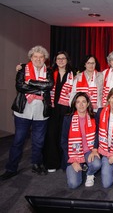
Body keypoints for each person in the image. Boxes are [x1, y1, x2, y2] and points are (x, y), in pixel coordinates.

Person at [0, 45, 54, 181]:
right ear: (31, 57)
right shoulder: (23, 69)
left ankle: (36, 164)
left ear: (45, 59)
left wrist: (30, 84)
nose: (38, 59)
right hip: (23, 112)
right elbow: (20, 86)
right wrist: (39, 88)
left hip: (41, 112)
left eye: (41, 57)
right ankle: (11, 168)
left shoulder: (48, 71)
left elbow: (49, 86)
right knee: (18, 141)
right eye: (35, 56)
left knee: (38, 141)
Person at [61, 92, 101, 189]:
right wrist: (72, 161)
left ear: (88, 104)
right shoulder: (68, 118)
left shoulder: (94, 117)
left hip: (89, 151)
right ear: (74, 104)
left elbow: (98, 135)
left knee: (97, 164)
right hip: (73, 154)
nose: (81, 104)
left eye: (84, 102)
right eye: (78, 102)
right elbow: (63, 141)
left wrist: (94, 149)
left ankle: (89, 173)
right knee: (73, 184)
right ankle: (82, 165)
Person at [43, 51, 75, 172]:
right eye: (58, 58)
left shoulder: (73, 74)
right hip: (52, 109)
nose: (61, 60)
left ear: (67, 60)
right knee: (51, 135)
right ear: (55, 61)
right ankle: (52, 162)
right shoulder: (50, 73)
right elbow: (36, 68)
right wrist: (22, 66)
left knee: (64, 135)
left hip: (66, 109)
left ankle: (64, 162)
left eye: (63, 58)